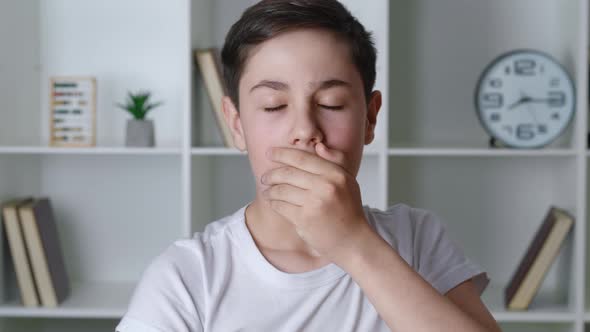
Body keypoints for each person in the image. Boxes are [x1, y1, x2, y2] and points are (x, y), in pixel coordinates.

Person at [116, 1, 501, 331]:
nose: (305, 130)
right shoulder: (188, 275)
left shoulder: (416, 240)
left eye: (331, 103)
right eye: (273, 106)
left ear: (369, 118)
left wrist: (352, 243)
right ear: (236, 125)